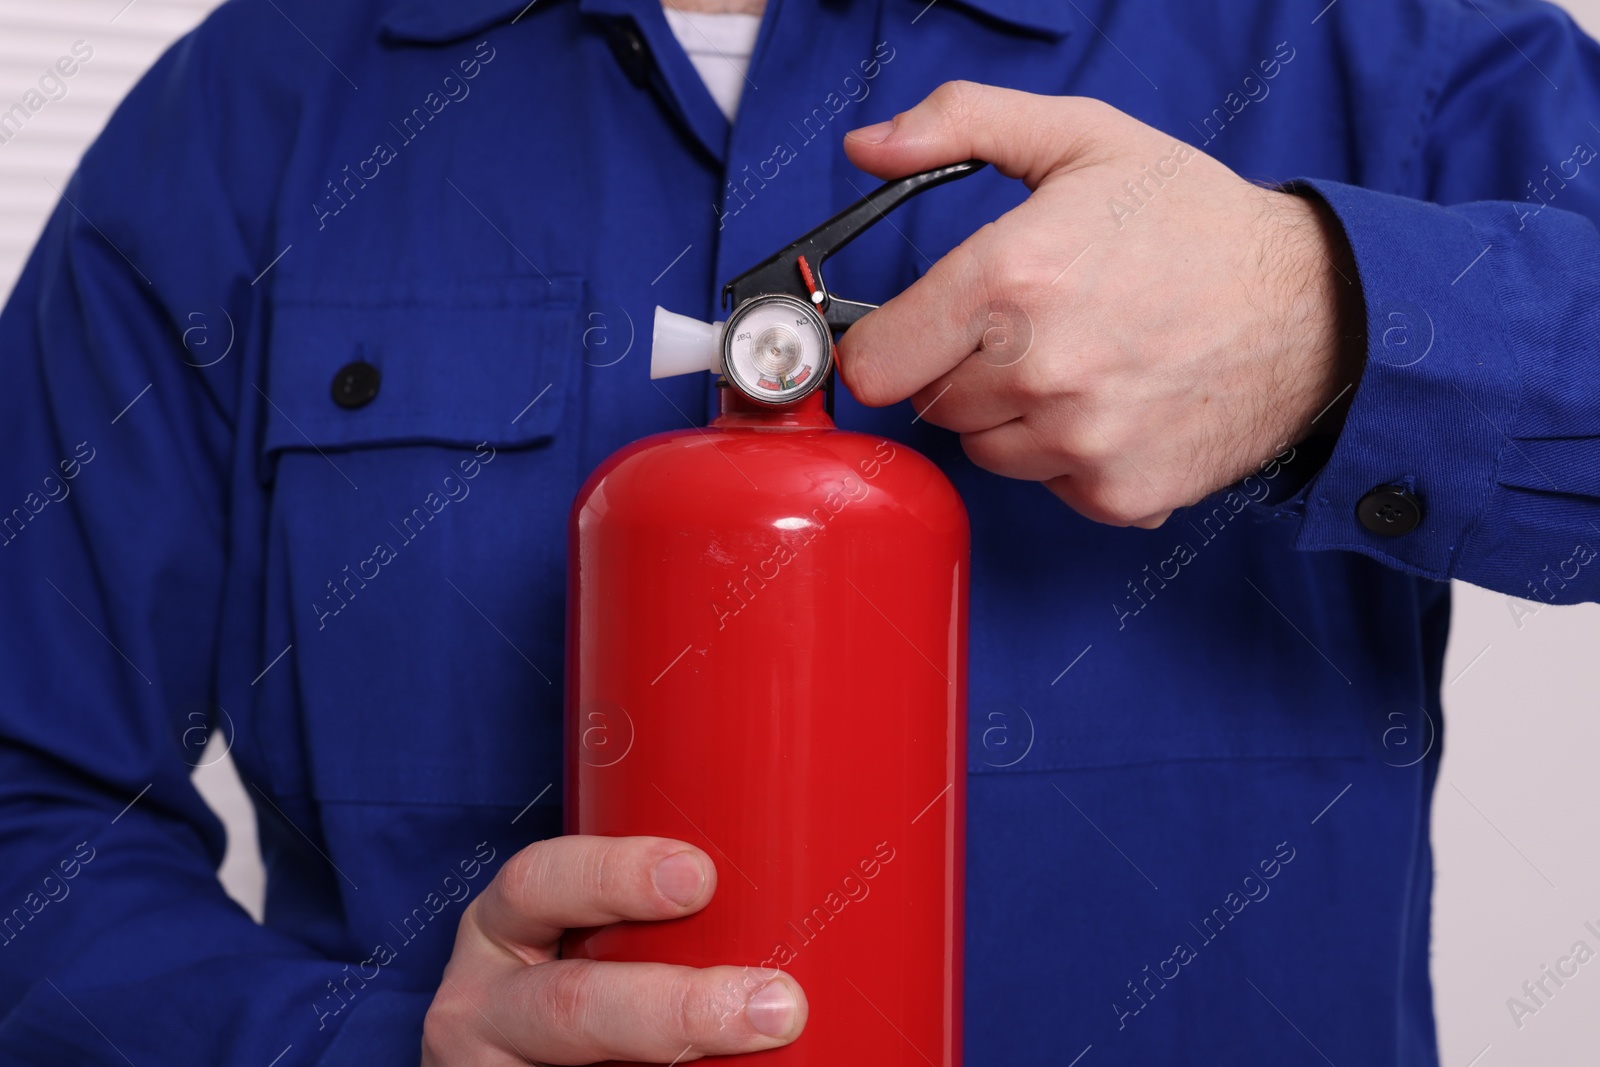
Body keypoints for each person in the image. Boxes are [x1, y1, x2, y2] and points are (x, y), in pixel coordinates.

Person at [0, 0, 1596, 1062]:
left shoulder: (1373, 39)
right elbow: (28, 805)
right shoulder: (256, 110)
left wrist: (1320, 316)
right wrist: (364, 1052)